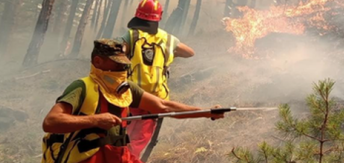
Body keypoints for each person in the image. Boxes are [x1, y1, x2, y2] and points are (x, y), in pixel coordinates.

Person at [41, 39, 222, 163]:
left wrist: (206, 112)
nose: (123, 68)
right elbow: (50, 122)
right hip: (86, 157)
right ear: (98, 61)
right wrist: (95, 120)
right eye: (117, 64)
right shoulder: (82, 87)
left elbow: (163, 106)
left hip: (118, 156)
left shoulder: (127, 88)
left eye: (124, 64)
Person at [121, 0, 194, 161]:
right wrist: (169, 53)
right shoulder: (167, 38)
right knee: (138, 141)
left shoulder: (132, 35)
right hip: (156, 99)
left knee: (122, 138)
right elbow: (190, 52)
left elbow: (119, 52)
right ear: (159, 16)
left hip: (131, 96)